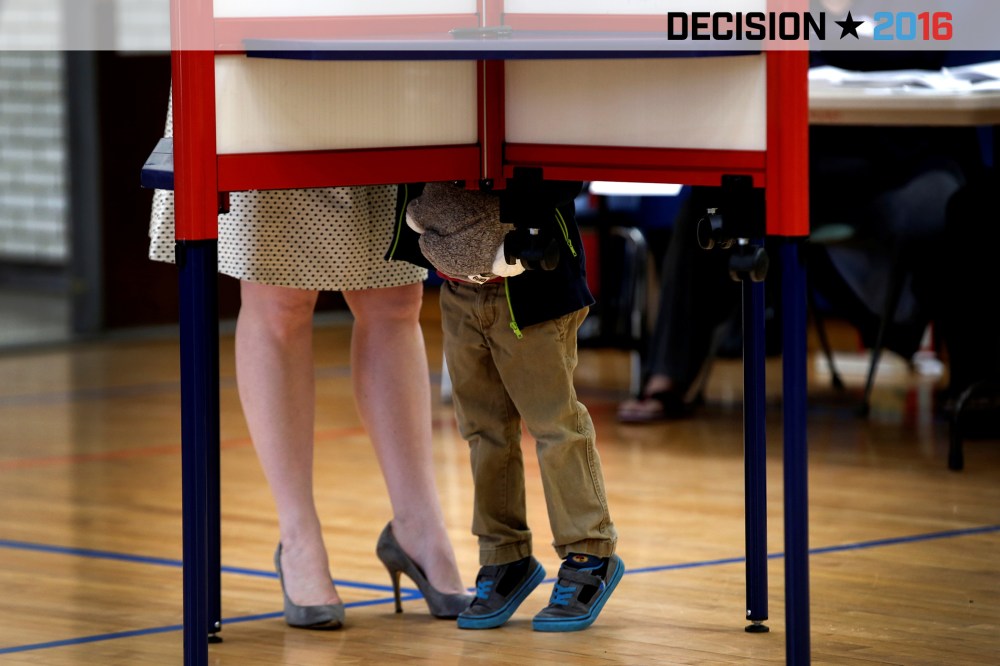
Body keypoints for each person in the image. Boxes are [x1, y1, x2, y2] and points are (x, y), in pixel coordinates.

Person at [148, 95, 471, 629]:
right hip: (263, 62)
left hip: (374, 68)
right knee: (280, 298)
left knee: (395, 298)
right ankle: (297, 537)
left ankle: (419, 528)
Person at [618, 38, 984, 423]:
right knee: (710, 203)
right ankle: (667, 379)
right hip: (804, 157)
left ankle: (965, 377)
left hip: (899, 162)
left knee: (947, 209)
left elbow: (919, 53)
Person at [386, 177, 623, 632]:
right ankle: (504, 556)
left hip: (533, 289)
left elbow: (567, 174)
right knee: (484, 430)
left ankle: (590, 552)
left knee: (555, 425)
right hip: (460, 289)